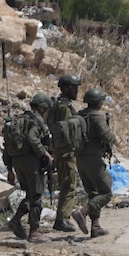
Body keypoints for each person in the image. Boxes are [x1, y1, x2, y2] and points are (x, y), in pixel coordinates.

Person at [4, 93, 54, 243]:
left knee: (30, 195)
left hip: (17, 162)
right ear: (42, 107)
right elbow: (33, 139)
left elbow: (7, 146)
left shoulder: (18, 121)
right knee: (36, 196)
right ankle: (34, 232)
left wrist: (9, 169)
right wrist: (46, 155)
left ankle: (16, 219)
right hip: (31, 162)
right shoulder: (35, 121)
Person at [72, 88, 118, 238]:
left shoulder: (80, 115)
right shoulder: (97, 117)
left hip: (80, 159)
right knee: (106, 192)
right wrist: (116, 139)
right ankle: (83, 212)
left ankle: (96, 226)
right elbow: (106, 135)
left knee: (93, 193)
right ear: (99, 102)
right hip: (93, 159)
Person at [50, 74, 82, 232]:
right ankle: (62, 219)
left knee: (66, 184)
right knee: (69, 184)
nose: (77, 91)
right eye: (75, 88)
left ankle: (62, 217)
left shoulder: (59, 104)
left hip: (61, 150)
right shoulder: (64, 108)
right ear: (68, 88)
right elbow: (64, 130)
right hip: (66, 151)